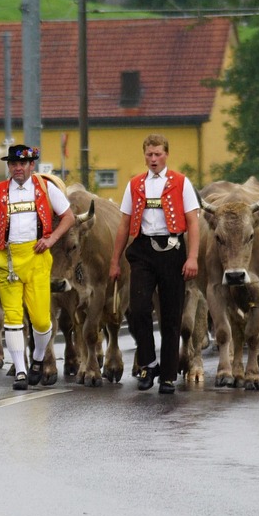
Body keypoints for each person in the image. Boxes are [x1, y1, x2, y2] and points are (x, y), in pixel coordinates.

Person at [0, 144, 75, 391]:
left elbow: (69, 217)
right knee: (13, 318)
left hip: (38, 259)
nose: (17, 168)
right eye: (13, 164)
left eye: (23, 164)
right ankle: (20, 369)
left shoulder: (45, 188)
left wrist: (51, 239)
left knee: (42, 321)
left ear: (32, 165)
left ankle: (38, 358)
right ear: (8, 166)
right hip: (7, 259)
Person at [109, 134, 201, 394]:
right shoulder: (135, 184)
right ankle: (149, 364)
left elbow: (193, 223)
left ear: (166, 155)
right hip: (142, 251)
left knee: (171, 316)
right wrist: (114, 261)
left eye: (158, 154)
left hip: (172, 251)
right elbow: (124, 225)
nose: (153, 159)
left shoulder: (181, 183)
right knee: (137, 309)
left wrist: (192, 257)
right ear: (144, 155)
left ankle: (169, 375)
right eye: (149, 154)